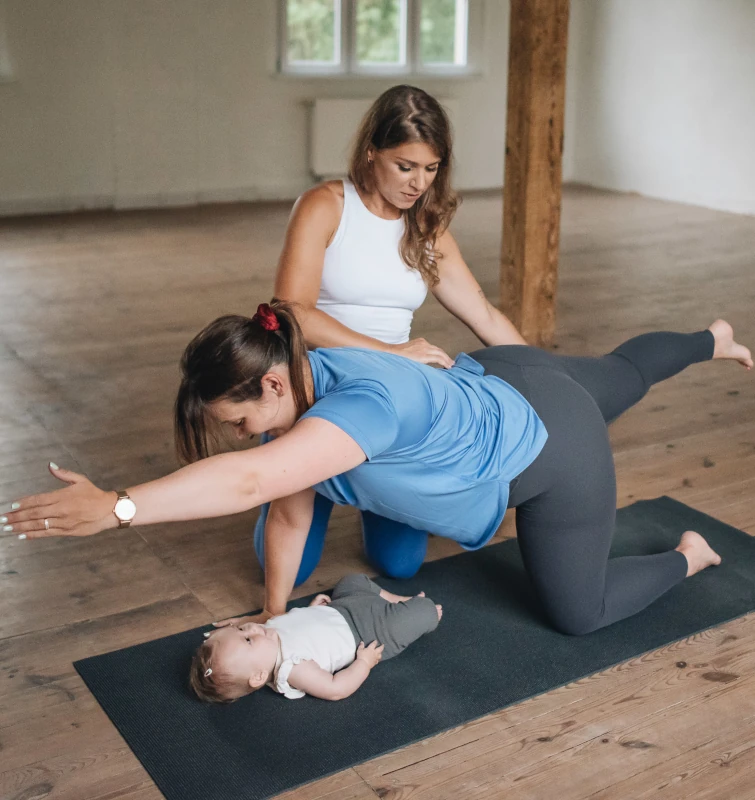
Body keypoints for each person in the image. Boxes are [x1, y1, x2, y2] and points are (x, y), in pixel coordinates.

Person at [4, 302, 751, 639]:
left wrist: (120, 507)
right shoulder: (299, 380)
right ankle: (712, 338)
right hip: (505, 374)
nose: (238, 439)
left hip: (555, 447)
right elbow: (286, 506)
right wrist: (273, 612)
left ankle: (689, 556)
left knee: (579, 615)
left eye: (237, 423)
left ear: (271, 384)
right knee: (622, 370)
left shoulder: (358, 409)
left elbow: (249, 484)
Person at [258, 84, 527, 587]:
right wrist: (390, 352)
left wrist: (544, 374)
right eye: (405, 166)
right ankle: (301, 483)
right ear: (371, 152)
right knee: (288, 566)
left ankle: (358, 484)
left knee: (400, 565)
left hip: (387, 399)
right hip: (318, 386)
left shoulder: (426, 227)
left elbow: (485, 315)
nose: (418, 183)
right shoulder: (325, 206)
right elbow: (291, 311)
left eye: (431, 169)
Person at [191, 574, 442, 704]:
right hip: (367, 633)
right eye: (247, 640)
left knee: (351, 580)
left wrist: (312, 610)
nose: (251, 629)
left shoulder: (267, 633)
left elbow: (297, 626)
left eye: (240, 629)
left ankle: (395, 601)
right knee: (421, 614)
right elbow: (335, 689)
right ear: (258, 676)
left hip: (342, 607)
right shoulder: (292, 668)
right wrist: (364, 663)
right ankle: (416, 610)